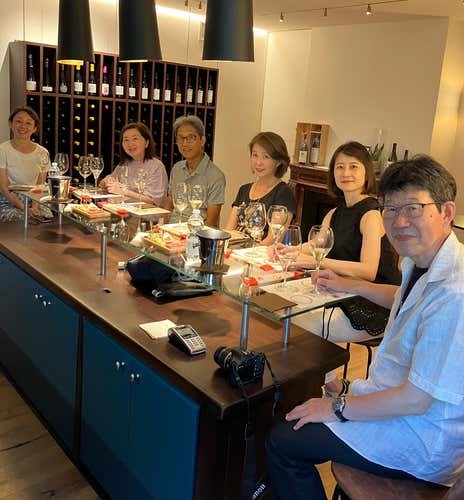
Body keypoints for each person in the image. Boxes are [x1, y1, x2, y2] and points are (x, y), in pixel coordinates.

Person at [266, 155, 464, 500]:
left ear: (446, 212)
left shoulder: (454, 292)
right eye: (390, 209)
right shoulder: (424, 260)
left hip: (421, 436)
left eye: (413, 208)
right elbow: (403, 298)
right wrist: (349, 285)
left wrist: (337, 407)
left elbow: (416, 400)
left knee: (283, 441)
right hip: (402, 408)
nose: (399, 221)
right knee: (299, 409)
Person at [292, 141, 401, 343]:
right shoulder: (334, 213)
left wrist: (317, 261)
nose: (346, 173)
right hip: (344, 289)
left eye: (353, 167)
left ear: (366, 173)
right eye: (340, 167)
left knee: (304, 323)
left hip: (374, 301)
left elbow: (368, 271)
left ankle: (326, 366)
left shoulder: (371, 214)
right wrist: (289, 250)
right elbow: (317, 245)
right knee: (291, 307)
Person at [226, 131, 296, 246]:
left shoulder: (283, 193)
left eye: (266, 157)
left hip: (260, 253)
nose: (258, 162)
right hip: (235, 250)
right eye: (255, 155)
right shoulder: (244, 189)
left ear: (278, 162)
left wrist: (246, 251)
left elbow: (272, 240)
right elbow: (229, 231)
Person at [164, 115, 225, 227]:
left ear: (202, 140)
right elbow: (169, 205)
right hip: (172, 229)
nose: (185, 143)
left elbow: (211, 222)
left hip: (197, 232)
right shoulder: (177, 168)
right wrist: (161, 227)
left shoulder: (216, 176)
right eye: (181, 138)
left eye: (191, 138)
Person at [0, 106, 50, 222]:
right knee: (25, 220)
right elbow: (3, 187)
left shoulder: (43, 153)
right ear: (11, 124)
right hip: (8, 201)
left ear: (34, 128)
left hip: (35, 200)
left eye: (28, 123)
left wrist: (34, 207)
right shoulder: (2, 150)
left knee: (45, 219)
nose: (23, 126)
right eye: (18, 121)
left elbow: (40, 185)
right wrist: (25, 208)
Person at [100, 122, 168, 206]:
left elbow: (153, 202)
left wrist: (124, 191)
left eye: (135, 139)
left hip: (145, 213)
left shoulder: (156, 166)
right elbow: (111, 181)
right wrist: (105, 182)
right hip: (123, 211)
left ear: (147, 143)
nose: (130, 144)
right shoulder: (124, 164)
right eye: (126, 140)